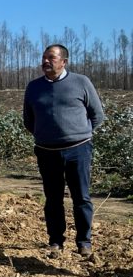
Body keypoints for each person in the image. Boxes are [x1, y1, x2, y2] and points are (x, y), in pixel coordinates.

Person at [23, 44, 105, 256]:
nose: (45, 61)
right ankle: (56, 241)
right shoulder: (34, 87)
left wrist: (79, 134)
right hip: (46, 151)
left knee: (81, 197)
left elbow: (97, 115)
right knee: (53, 198)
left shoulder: (81, 82)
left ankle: (84, 242)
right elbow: (28, 120)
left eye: (51, 57)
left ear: (64, 62)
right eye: (44, 57)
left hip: (78, 150)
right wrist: (46, 135)